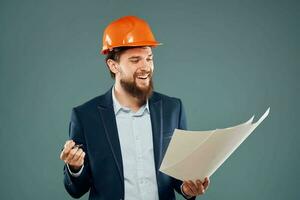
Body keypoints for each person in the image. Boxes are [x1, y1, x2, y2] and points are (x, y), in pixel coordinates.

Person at [60, 15, 210, 200]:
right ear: (114, 65)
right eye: (135, 60)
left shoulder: (173, 109)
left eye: (149, 58)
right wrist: (75, 167)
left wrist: (187, 189)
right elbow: (76, 190)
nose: (146, 67)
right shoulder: (85, 116)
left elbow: (179, 175)